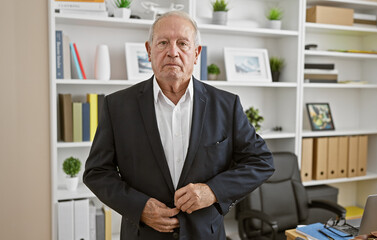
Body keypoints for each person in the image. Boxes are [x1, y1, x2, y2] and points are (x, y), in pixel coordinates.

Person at [83, 11, 274, 240]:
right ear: (149, 50)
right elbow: (97, 172)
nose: (172, 52)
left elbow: (261, 161)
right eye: (163, 42)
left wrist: (212, 191)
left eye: (182, 43)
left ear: (196, 53)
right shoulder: (116, 106)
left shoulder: (226, 105)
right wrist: (140, 207)